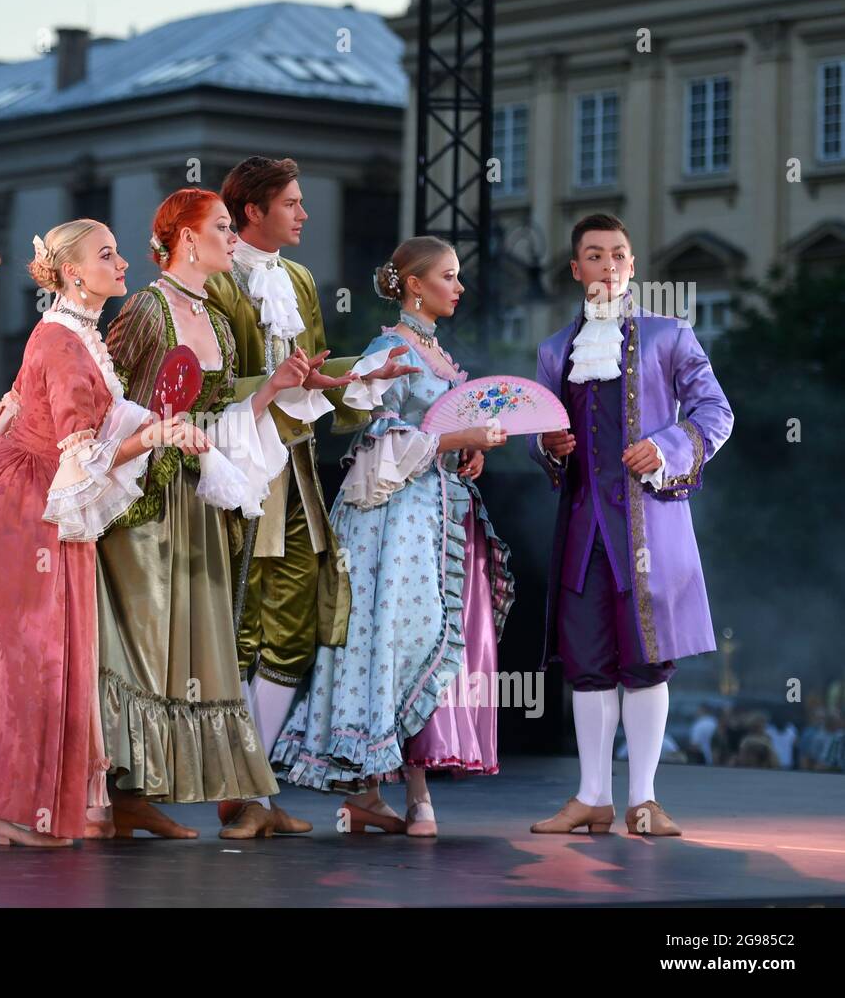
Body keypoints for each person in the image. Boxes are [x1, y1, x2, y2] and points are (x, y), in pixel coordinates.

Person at [0, 219, 206, 847]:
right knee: (26, 652)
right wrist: (155, 436)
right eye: (108, 254)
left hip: (34, 499)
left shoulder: (79, 335)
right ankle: (14, 811)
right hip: (23, 506)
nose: (123, 263)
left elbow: (105, 427)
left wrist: (162, 428)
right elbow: (80, 449)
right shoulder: (60, 340)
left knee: (6, 646)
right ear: (74, 272)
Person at [273, 237, 514, 837]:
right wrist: (458, 441)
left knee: (419, 636)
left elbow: (432, 433)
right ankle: (386, 791)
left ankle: (401, 793)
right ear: (413, 284)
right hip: (392, 516)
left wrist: (465, 454)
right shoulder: (390, 347)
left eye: (459, 277)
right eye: (449, 276)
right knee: (393, 637)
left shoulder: (435, 352)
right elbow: (378, 438)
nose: (459, 287)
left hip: (433, 508)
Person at [95, 189, 312, 839]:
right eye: (221, 227)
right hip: (145, 505)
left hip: (197, 503)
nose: (232, 238)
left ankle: (153, 792)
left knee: (191, 652)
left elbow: (215, 422)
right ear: (187, 238)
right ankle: (117, 787)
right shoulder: (144, 309)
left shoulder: (217, 320)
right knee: (141, 644)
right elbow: (103, 404)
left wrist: (272, 389)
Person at [205, 156, 412, 837]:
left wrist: (367, 374)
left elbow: (312, 373)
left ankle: (257, 790)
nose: (304, 214)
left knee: (291, 631)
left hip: (293, 476)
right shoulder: (213, 275)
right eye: (291, 203)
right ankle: (231, 788)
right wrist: (278, 390)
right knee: (237, 632)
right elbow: (204, 393)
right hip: (231, 477)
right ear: (253, 212)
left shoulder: (296, 280)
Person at [529, 213, 733, 838]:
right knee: (587, 664)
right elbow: (536, 434)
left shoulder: (670, 336)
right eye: (595, 255)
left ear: (633, 264)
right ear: (576, 269)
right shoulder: (554, 350)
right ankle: (592, 796)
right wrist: (548, 446)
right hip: (585, 528)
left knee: (647, 661)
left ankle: (644, 798)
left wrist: (668, 446)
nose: (609, 264)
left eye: (619, 253)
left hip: (651, 527)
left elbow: (715, 412)